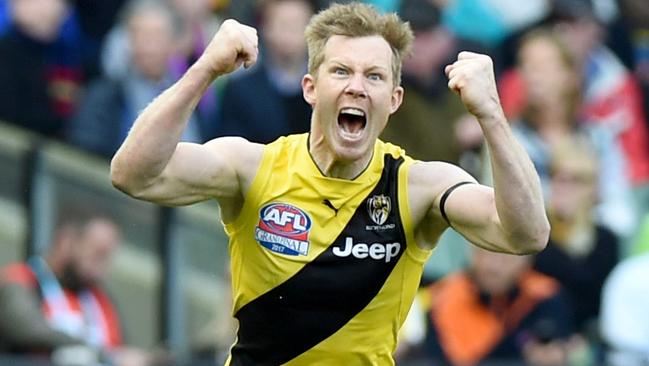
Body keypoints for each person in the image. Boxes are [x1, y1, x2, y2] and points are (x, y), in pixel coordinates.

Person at [110, 3, 549, 364]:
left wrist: (491, 112)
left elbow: (528, 233)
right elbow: (132, 173)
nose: (357, 87)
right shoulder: (253, 166)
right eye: (341, 71)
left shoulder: (419, 187)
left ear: (393, 100)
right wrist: (204, 68)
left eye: (374, 76)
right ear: (310, 88)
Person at [0, 207, 150, 365]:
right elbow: (27, 329)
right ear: (66, 242)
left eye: (107, 258)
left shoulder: (101, 301)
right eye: (98, 254)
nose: (102, 271)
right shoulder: (21, 279)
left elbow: (121, 351)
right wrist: (100, 354)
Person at [67, 0, 204, 158]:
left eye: (156, 36)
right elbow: (85, 151)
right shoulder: (104, 97)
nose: (147, 46)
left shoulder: (188, 96)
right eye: (139, 35)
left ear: (174, 43)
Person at [423, 247, 573, 365]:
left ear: (525, 260)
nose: (491, 266)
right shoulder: (444, 296)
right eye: (483, 253)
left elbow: (564, 343)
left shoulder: (544, 296)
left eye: (504, 257)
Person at [216, 0, 315, 143]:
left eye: (298, 26)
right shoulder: (240, 90)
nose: (290, 35)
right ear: (265, 28)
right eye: (284, 25)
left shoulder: (324, 88)